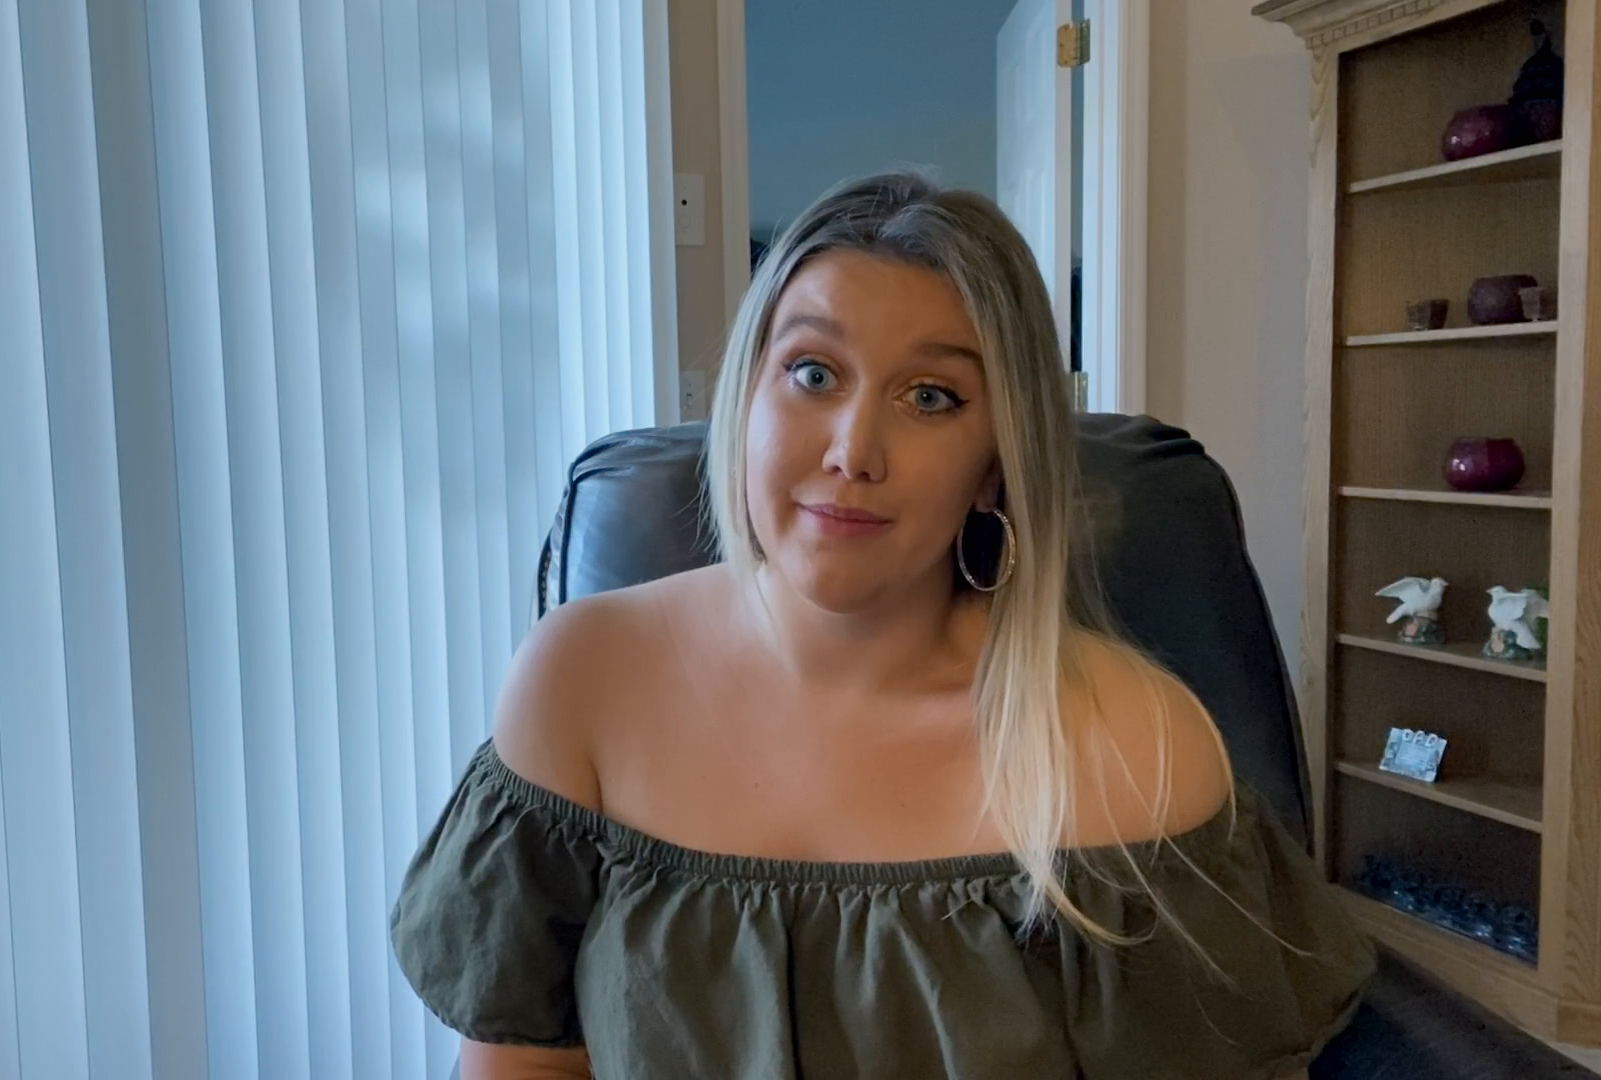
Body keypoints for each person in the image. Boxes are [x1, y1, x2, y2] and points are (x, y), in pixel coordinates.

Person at [391, 172, 1374, 1079]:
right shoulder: (582, 681)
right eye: (813, 373)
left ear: (996, 462)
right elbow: (526, 1064)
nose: (854, 450)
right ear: (747, 398)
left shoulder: (1136, 745)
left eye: (931, 397)